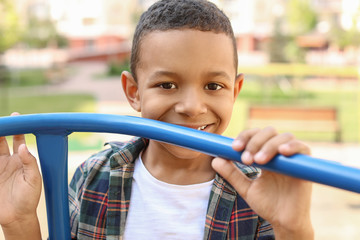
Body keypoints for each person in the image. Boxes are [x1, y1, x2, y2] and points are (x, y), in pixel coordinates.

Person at [0, 0, 313, 239]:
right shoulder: (94, 177)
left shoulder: (258, 192)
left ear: (235, 90)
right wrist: (19, 223)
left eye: (213, 86)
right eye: (167, 85)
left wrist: (294, 230)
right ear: (134, 91)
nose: (192, 107)